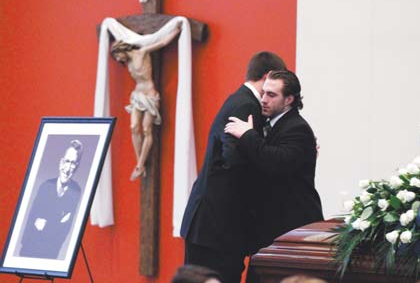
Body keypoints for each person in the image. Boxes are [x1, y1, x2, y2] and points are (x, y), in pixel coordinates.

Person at [180, 52, 287, 283]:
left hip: (212, 226)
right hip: (216, 229)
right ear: (268, 76)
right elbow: (233, 158)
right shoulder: (246, 105)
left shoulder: (238, 100)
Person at [224, 69, 324, 252]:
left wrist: (247, 135)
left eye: (271, 95)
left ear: (289, 100)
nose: (263, 99)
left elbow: (276, 162)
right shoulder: (272, 123)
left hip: (292, 226)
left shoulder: (297, 128)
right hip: (272, 226)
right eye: (263, 93)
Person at [110, 22, 181, 181]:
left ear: (122, 50)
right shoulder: (127, 62)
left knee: (146, 129)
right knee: (134, 127)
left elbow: (161, 42)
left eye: (117, 56)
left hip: (149, 94)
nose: (118, 59)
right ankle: (139, 163)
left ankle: (140, 164)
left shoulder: (142, 52)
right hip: (137, 95)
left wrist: (176, 30)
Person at [20, 139, 83, 259]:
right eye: (67, 161)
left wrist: (46, 225)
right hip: (29, 250)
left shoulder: (76, 191)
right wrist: (55, 223)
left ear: (77, 167)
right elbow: (32, 225)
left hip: (51, 254)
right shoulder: (45, 187)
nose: (68, 168)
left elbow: (63, 231)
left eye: (73, 163)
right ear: (61, 163)